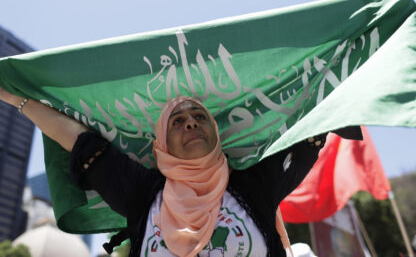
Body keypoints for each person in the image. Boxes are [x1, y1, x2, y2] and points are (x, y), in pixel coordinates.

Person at [0, 88, 329, 257]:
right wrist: (13, 97)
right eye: (177, 121)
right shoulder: (143, 194)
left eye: (200, 116)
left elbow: (314, 124)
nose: (190, 122)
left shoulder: (255, 185)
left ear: (215, 131)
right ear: (163, 144)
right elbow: (78, 140)